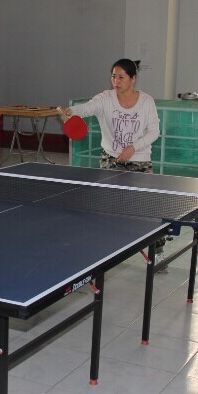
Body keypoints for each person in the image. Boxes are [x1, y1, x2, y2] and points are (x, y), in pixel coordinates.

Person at [59, 58, 167, 267]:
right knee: (106, 206)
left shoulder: (146, 101)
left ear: (133, 78)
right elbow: (87, 108)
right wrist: (71, 111)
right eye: (113, 77)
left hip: (140, 160)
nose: (116, 81)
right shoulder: (105, 99)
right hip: (111, 159)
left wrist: (133, 147)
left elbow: (154, 131)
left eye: (121, 77)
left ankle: (158, 252)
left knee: (149, 208)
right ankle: (105, 251)